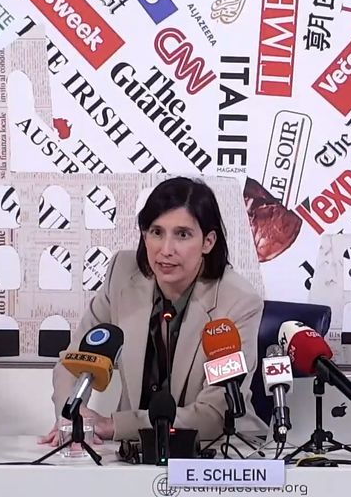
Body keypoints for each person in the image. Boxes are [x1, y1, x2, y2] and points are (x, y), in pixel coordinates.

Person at [39, 176, 266, 445]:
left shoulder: (238, 302)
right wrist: (72, 417)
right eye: (157, 232)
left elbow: (214, 415)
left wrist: (114, 425)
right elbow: (74, 362)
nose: (166, 250)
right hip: (134, 451)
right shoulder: (122, 273)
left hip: (218, 449)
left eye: (182, 234)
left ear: (208, 241)